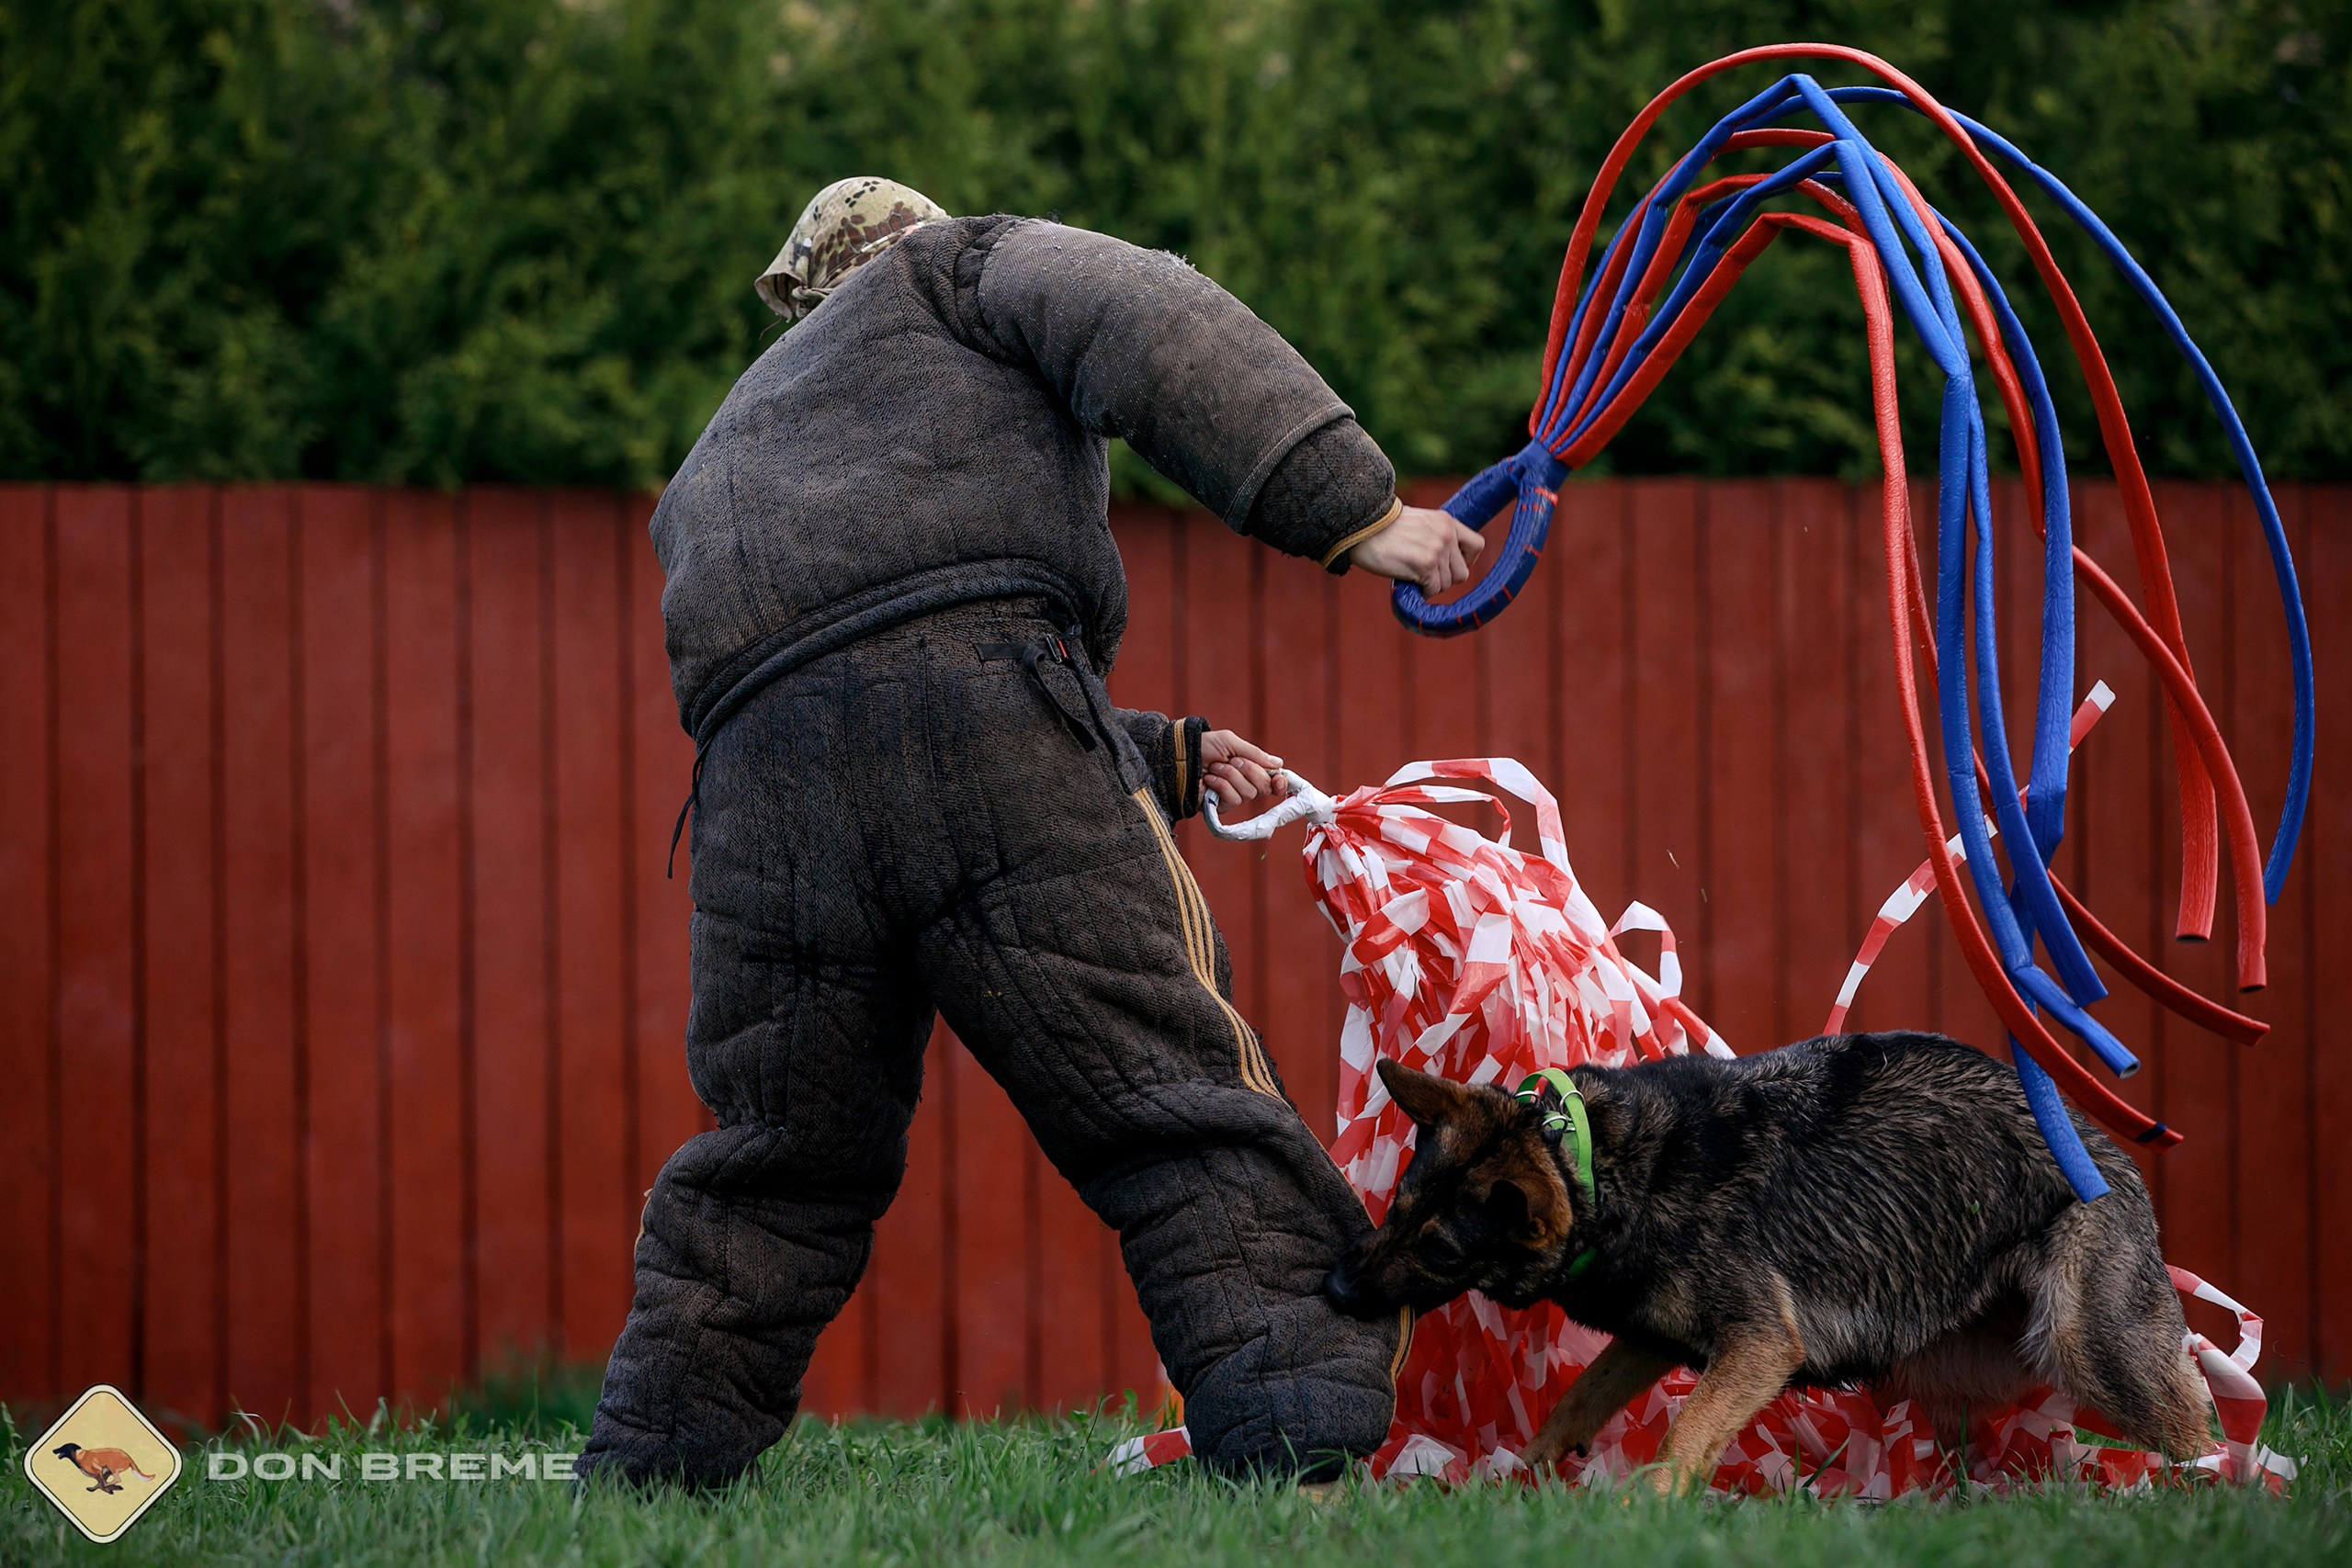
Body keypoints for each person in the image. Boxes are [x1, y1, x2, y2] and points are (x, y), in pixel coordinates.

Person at [580, 176, 1487, 1487]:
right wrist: (1355, 510)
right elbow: (1152, 316)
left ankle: (651, 1468)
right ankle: (1298, 1434)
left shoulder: (726, 443)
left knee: (778, 1158)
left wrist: (1164, 752)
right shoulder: (963, 272)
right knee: (1168, 1093)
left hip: (760, 805)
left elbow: (862, 676)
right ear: (914, 238)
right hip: (990, 720)